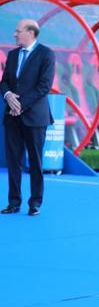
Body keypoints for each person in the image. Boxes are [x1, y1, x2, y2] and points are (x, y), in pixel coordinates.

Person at [1, 20, 56, 217]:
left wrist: (20, 105)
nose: (15, 34)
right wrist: (7, 95)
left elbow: (44, 86)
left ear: (31, 33)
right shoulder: (13, 55)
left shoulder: (46, 54)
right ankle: (13, 202)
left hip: (34, 117)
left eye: (18, 31)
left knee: (35, 161)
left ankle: (35, 203)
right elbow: (4, 81)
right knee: (13, 162)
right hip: (12, 117)